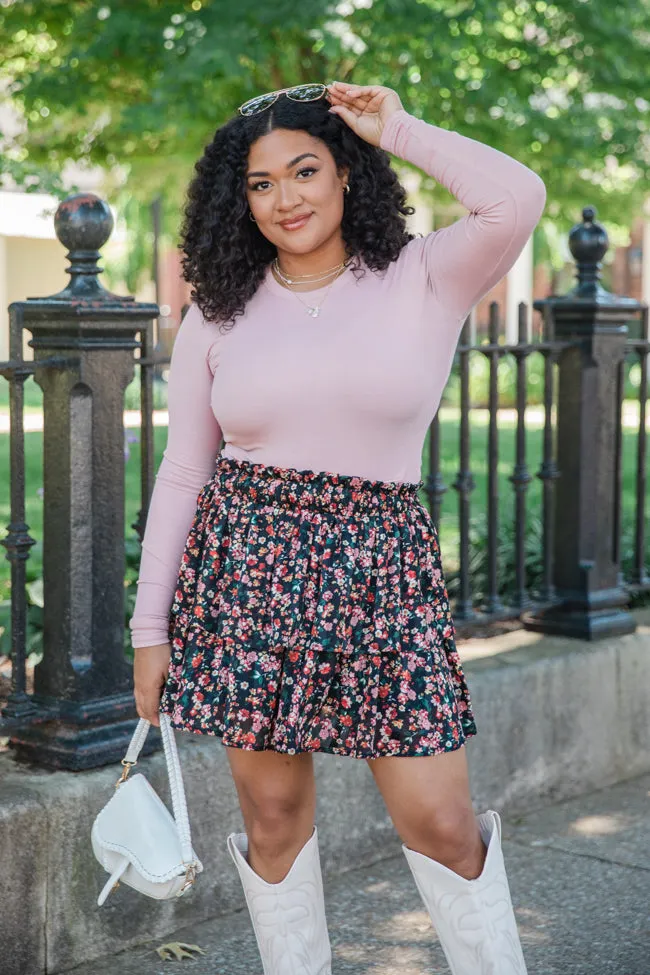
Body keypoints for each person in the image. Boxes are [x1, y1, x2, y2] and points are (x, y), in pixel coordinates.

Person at [130, 81, 546, 975]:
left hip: (383, 565)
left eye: (306, 169)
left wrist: (396, 126)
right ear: (238, 200)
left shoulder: (427, 273)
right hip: (246, 568)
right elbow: (183, 472)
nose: (287, 198)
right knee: (273, 819)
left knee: (440, 821)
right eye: (261, 183)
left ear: (348, 173)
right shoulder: (219, 312)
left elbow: (517, 197)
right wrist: (149, 627)